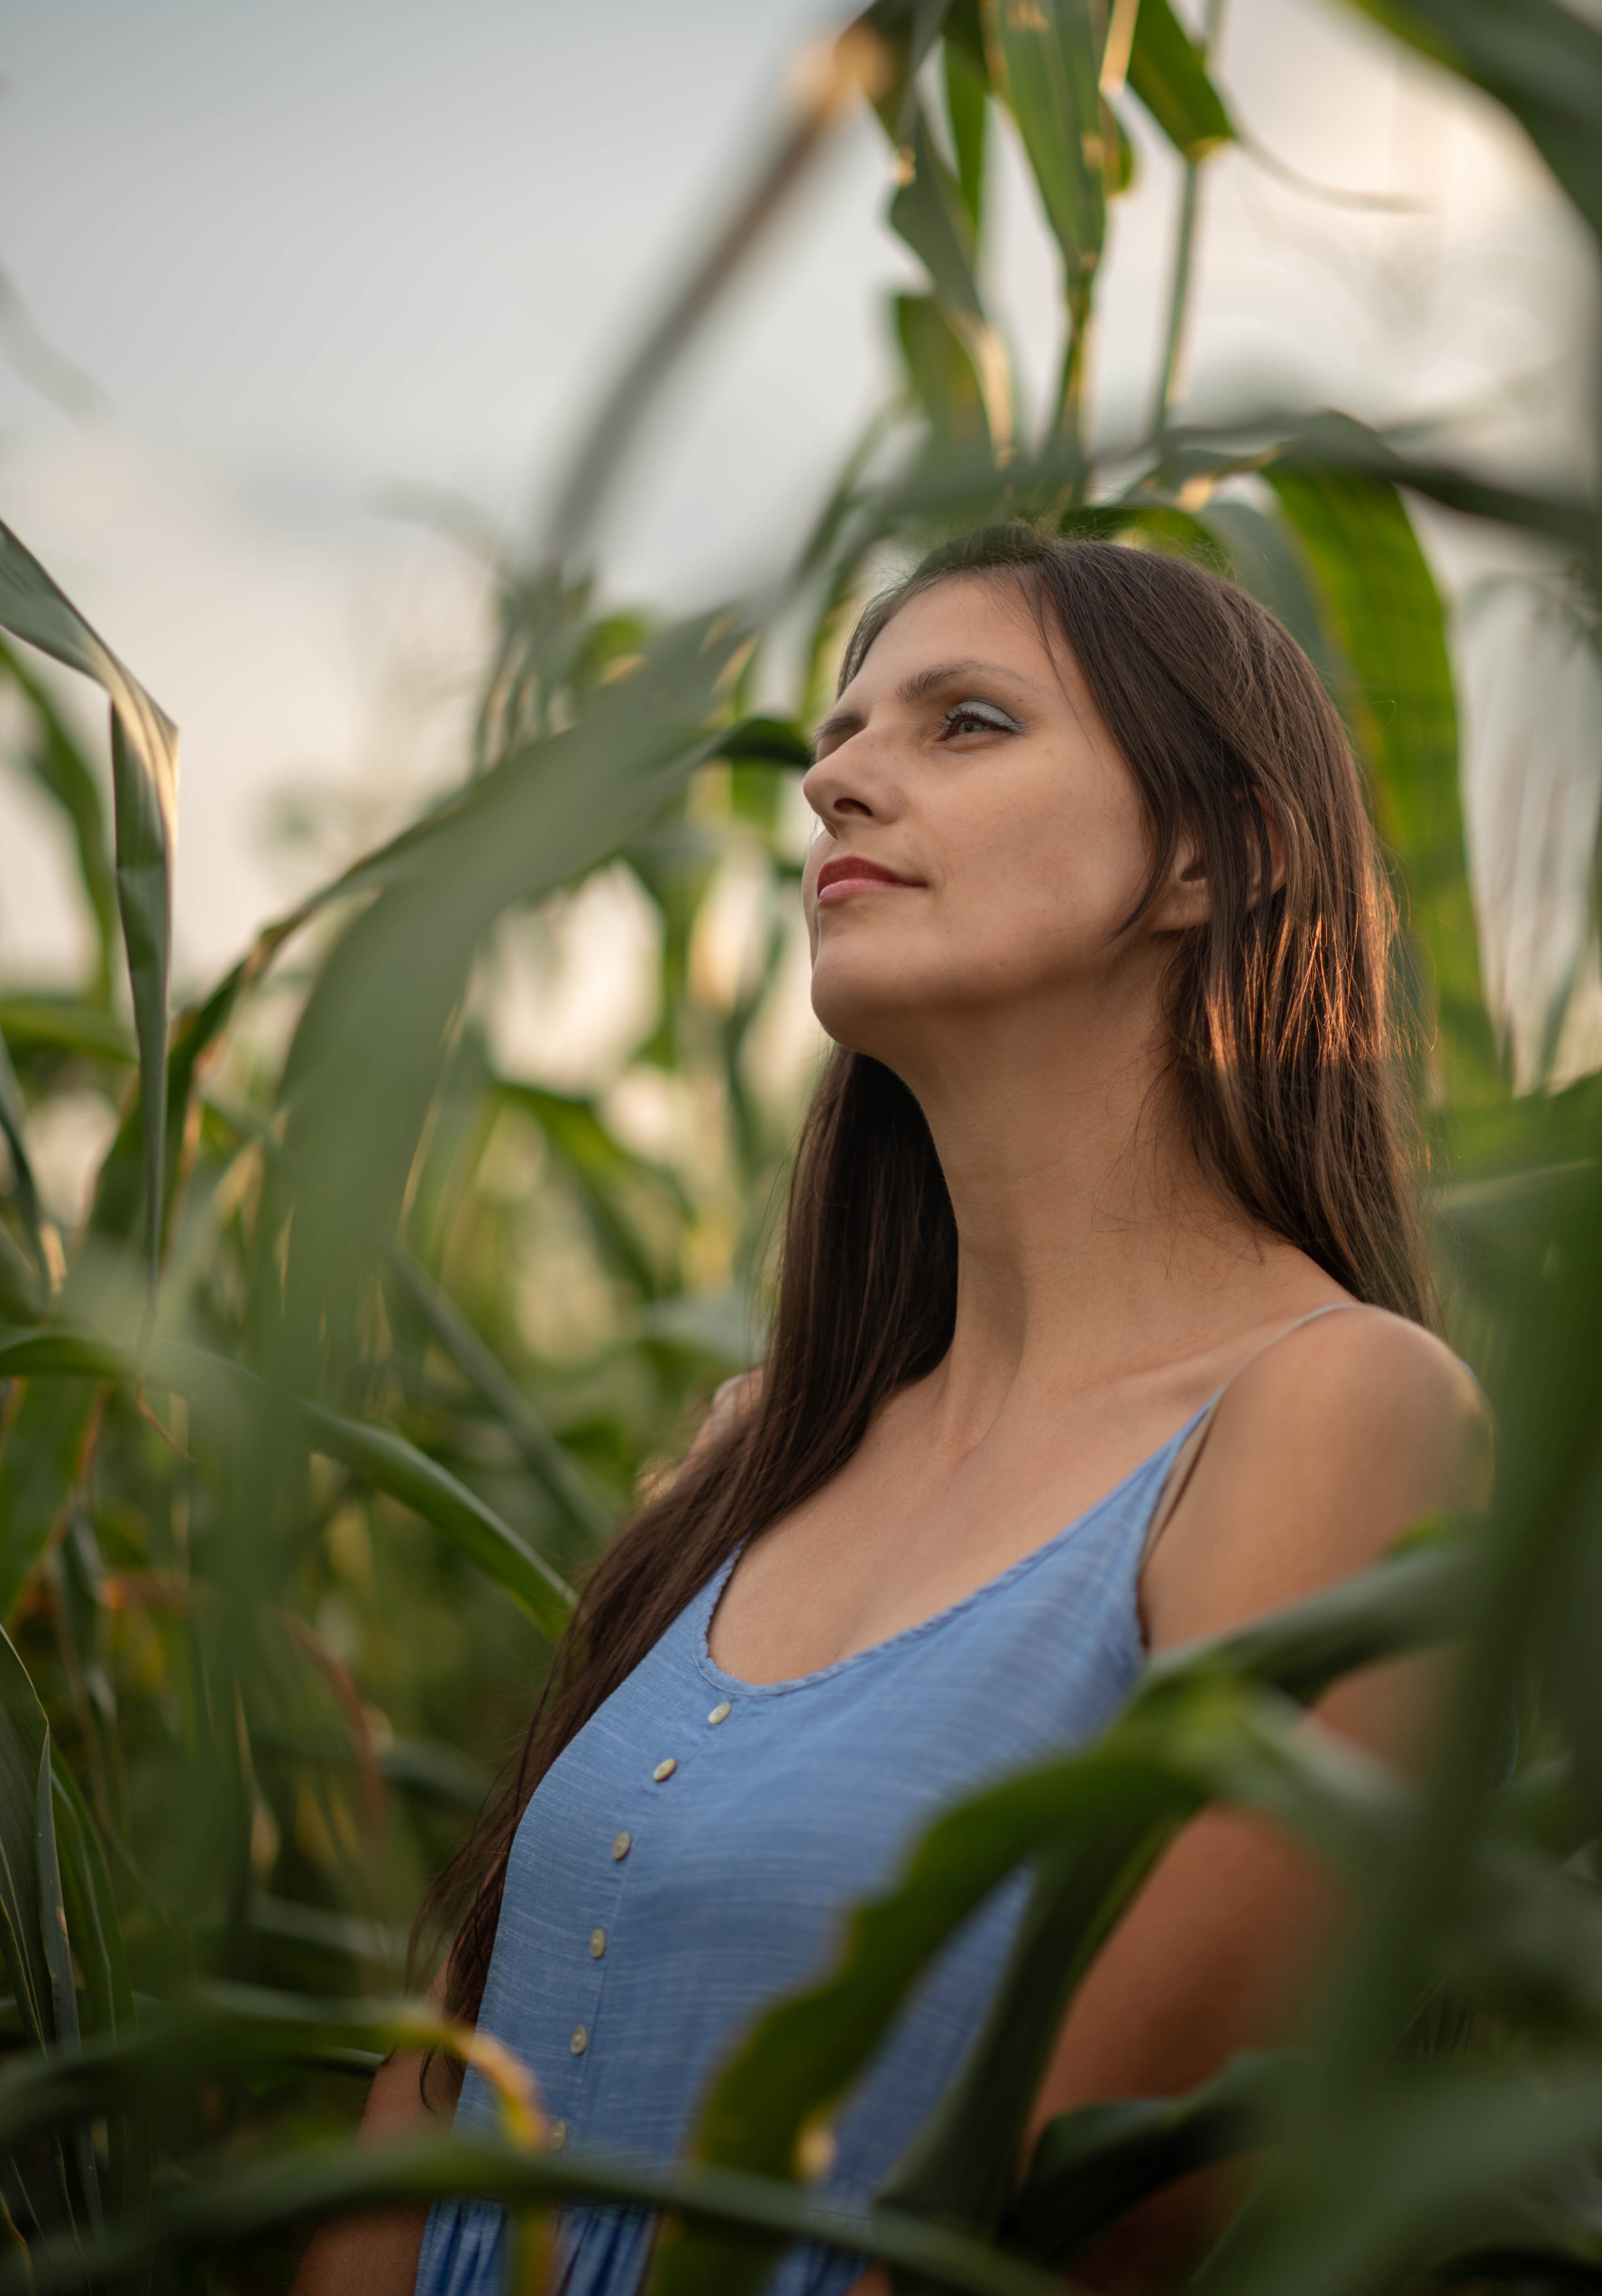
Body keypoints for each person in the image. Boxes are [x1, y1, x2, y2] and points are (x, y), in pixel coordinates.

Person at [293, 526, 1487, 2296]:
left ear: (1207, 853)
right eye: (841, 735)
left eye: (968, 722)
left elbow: (1120, 2206)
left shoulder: (1334, 1414)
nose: (837, 779)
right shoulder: (749, 1461)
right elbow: (448, 2086)